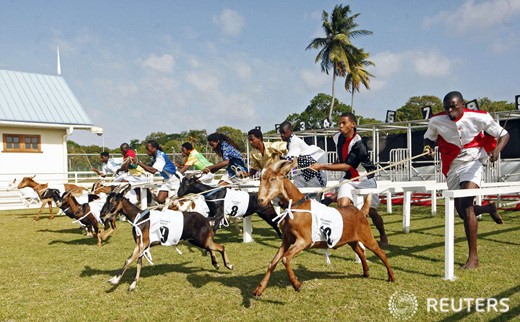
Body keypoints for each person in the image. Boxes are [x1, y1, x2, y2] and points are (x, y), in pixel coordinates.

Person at [423, 91, 509, 269]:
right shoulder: (436, 120)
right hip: (452, 164)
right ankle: (488, 208)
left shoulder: (479, 117)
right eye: (446, 107)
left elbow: (504, 134)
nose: (450, 110)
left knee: (467, 205)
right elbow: (429, 138)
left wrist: (497, 150)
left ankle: (473, 258)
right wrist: (428, 147)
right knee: (462, 211)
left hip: (473, 161)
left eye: (453, 106)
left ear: (463, 104)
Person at [310, 112, 388, 246]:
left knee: (372, 212)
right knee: (343, 206)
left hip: (365, 179)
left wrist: (322, 166)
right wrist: (334, 163)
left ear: (352, 124)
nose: (340, 126)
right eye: (339, 123)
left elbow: (347, 165)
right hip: (349, 179)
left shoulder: (359, 144)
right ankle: (350, 234)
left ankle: (383, 235)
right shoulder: (337, 137)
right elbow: (342, 158)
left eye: (343, 123)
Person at [279, 121, 328, 188]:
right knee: (295, 192)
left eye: (283, 132)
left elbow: (290, 159)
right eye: (280, 133)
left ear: (290, 131)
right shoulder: (290, 142)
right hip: (305, 176)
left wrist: (279, 162)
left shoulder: (294, 141)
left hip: (315, 177)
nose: (282, 135)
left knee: (310, 197)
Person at [137, 140, 183, 204]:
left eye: (148, 149)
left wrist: (138, 163)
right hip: (167, 180)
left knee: (177, 202)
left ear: (154, 148)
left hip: (174, 180)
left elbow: (153, 170)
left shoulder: (160, 156)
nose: (146, 151)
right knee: (160, 200)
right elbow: (149, 168)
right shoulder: (154, 157)